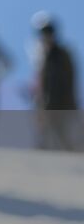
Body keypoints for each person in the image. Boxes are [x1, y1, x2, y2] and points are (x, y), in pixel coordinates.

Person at [31, 12, 79, 150]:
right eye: (43, 32)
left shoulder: (63, 54)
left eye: (48, 31)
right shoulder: (42, 56)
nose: (46, 35)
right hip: (46, 107)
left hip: (62, 106)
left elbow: (69, 81)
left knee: (63, 140)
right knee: (45, 140)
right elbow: (41, 83)